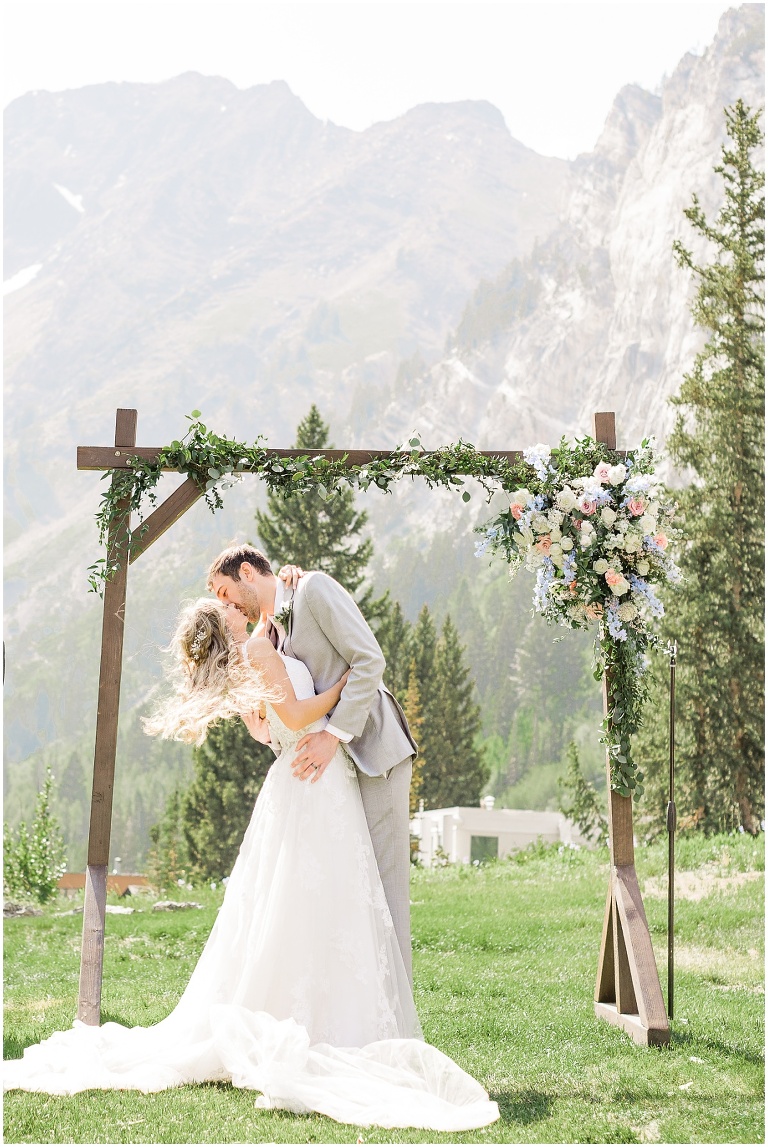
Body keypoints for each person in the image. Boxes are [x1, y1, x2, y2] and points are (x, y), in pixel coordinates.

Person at [3, 594, 499, 1132]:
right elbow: (293, 714)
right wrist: (340, 695)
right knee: (312, 897)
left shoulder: (250, 657)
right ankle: (323, 1019)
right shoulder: (258, 651)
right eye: (224, 603)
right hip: (314, 781)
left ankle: (298, 1007)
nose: (233, 603)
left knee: (294, 901)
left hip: (299, 778)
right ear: (228, 621)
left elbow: (267, 730)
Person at [207, 545, 418, 984]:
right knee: (351, 893)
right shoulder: (269, 632)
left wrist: (332, 735)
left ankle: (397, 1019)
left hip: (373, 749)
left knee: (384, 888)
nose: (226, 605)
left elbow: (369, 662)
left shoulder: (313, 589)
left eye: (227, 593)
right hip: (329, 775)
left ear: (247, 571)